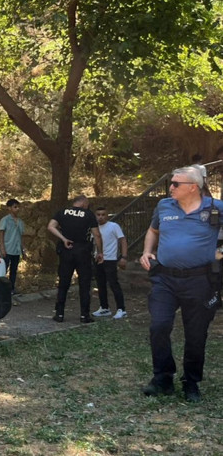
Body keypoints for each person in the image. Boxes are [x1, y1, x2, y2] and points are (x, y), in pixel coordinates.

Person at [139, 165, 222, 403]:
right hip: (164, 279)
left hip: (200, 281)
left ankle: (191, 382)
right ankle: (163, 378)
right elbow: (153, 230)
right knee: (159, 326)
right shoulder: (164, 206)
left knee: (196, 334)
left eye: (176, 184)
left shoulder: (216, 209)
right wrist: (146, 251)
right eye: (171, 183)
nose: (171, 188)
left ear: (193, 187)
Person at [47, 195, 103, 323]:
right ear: (83, 203)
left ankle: (59, 314)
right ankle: (84, 315)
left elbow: (50, 226)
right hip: (83, 251)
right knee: (84, 284)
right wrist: (100, 252)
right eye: (87, 204)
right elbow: (97, 235)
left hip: (66, 250)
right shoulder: (88, 215)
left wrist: (63, 239)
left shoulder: (63, 212)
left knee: (63, 283)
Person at [91, 206, 128, 319]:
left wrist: (123, 257)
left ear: (107, 215)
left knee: (113, 284)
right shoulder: (94, 228)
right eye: (98, 214)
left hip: (110, 259)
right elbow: (93, 243)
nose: (101, 217)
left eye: (103, 214)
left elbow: (122, 240)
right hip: (98, 259)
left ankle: (121, 309)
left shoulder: (113, 226)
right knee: (100, 285)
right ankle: (104, 307)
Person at [0, 198, 25, 295]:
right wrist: (2, 248)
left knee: (14, 270)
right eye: (15, 207)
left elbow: (21, 237)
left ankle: (12, 288)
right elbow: (1, 234)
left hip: (16, 250)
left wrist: (23, 249)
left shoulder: (20, 222)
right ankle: (1, 289)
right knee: (4, 269)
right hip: (7, 248)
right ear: (9, 208)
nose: (17, 209)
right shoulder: (5, 220)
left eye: (18, 207)